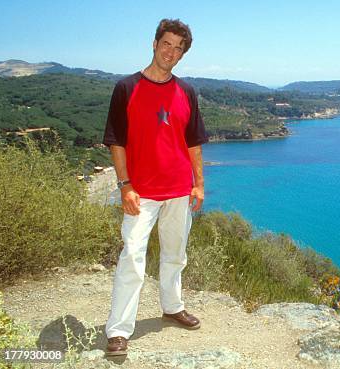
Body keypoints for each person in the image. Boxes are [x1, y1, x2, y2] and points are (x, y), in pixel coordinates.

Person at [102, 18, 208, 356]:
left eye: (179, 48)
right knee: (132, 257)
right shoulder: (126, 88)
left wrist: (199, 184)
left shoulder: (187, 92)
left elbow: (193, 142)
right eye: (167, 44)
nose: (171, 52)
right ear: (154, 43)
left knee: (176, 254)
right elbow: (116, 141)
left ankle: (172, 307)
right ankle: (119, 330)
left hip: (179, 188)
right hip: (141, 191)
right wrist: (125, 185)